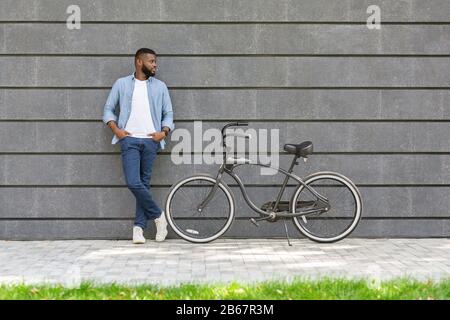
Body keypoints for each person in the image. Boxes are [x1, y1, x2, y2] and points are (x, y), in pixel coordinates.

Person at [102, 48, 174, 244]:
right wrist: (116, 129)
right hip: (130, 140)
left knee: (143, 184)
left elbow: (168, 114)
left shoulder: (160, 87)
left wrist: (163, 132)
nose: (155, 64)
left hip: (151, 141)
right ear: (139, 62)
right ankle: (159, 217)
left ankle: (138, 229)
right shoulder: (122, 84)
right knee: (134, 182)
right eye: (151, 61)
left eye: (155, 61)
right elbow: (108, 109)